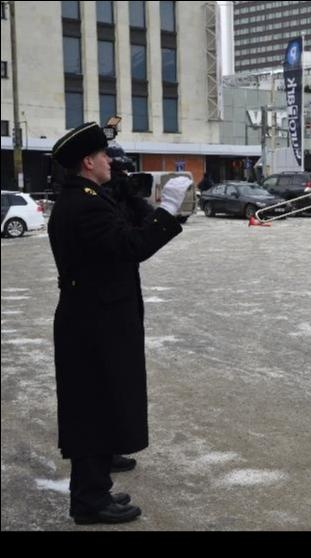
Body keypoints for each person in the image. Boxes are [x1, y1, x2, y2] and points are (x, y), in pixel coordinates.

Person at [47, 122, 192, 524]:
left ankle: (96, 489)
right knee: (93, 407)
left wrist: (141, 203)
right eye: (105, 156)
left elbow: (128, 232)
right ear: (88, 162)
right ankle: (90, 501)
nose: (111, 161)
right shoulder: (86, 204)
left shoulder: (87, 197)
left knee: (102, 402)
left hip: (96, 316)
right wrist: (167, 211)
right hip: (95, 320)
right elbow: (132, 246)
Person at [103, 142, 155, 473]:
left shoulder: (119, 198)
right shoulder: (94, 204)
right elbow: (130, 246)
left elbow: (146, 222)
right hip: (103, 306)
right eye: (116, 170)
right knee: (106, 382)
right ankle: (100, 454)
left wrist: (133, 196)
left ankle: (110, 447)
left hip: (122, 301)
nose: (120, 176)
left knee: (120, 382)